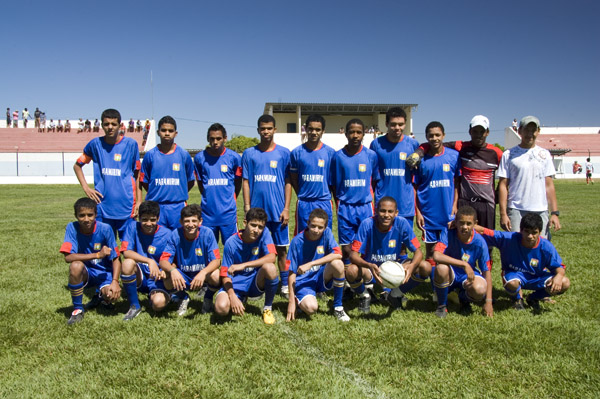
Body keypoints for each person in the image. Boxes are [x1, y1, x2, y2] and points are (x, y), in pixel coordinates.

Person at [408, 115, 502, 233]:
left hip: (486, 204)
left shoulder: (496, 153)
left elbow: (506, 177)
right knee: (463, 238)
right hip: (465, 202)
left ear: (487, 132)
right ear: (469, 131)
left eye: (482, 131)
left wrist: (497, 195)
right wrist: (419, 151)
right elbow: (434, 144)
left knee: (487, 240)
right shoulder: (460, 147)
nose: (478, 135)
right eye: (475, 131)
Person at [348, 197, 429, 313]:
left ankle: (396, 294)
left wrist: (411, 266)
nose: (386, 215)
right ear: (376, 211)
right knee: (351, 271)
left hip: (394, 266)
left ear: (396, 213)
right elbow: (353, 255)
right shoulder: (367, 224)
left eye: (390, 211)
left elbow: (418, 252)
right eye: (382, 211)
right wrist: (369, 265)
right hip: (371, 268)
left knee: (425, 267)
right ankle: (365, 296)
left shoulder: (402, 223)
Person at [476, 212, 570, 310]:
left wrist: (558, 276)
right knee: (512, 283)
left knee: (565, 282)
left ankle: (534, 298)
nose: (530, 236)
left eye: (534, 232)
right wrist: (465, 224)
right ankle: (517, 299)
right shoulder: (509, 239)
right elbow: (484, 232)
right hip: (514, 275)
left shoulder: (546, 247)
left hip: (536, 277)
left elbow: (560, 268)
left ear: (540, 232)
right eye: (527, 231)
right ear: (521, 230)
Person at [242, 114, 292, 297]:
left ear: (275, 130)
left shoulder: (284, 153)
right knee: (255, 248)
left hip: (278, 211)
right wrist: (247, 206)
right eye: (262, 128)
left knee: (281, 249)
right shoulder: (249, 153)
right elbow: (245, 181)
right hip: (257, 212)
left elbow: (288, 182)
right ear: (258, 130)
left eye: (269, 128)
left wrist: (286, 208)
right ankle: (256, 283)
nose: (266, 131)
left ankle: (285, 285)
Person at [73, 108, 141, 241]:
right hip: (102, 206)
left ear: (120, 126)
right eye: (106, 124)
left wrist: (139, 201)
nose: (110, 127)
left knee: (129, 249)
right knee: (104, 248)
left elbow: (138, 174)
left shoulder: (131, 144)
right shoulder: (95, 145)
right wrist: (86, 188)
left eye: (114, 124)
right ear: (102, 125)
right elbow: (77, 166)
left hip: (127, 206)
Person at [60, 198, 121, 325]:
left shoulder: (105, 228)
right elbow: (68, 257)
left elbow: (115, 257)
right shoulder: (72, 227)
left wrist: (115, 281)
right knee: (75, 266)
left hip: (104, 273)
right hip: (87, 272)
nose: (86, 219)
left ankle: (102, 296)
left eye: (90, 215)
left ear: (96, 215)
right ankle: (77, 309)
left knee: (112, 296)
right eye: (82, 215)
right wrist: (97, 255)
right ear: (76, 216)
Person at [214, 207, 280, 324]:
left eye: (260, 227)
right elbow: (224, 273)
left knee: (270, 268)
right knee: (221, 308)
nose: (256, 230)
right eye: (253, 225)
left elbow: (272, 257)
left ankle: (267, 308)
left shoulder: (264, 234)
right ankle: (240, 298)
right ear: (245, 223)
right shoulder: (231, 242)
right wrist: (232, 296)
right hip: (236, 284)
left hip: (255, 283)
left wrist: (243, 265)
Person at [497, 116, 560, 238]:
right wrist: (503, 214)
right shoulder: (509, 154)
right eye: (526, 130)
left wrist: (554, 213)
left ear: (538, 131)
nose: (530, 134)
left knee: (540, 247)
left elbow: (549, 185)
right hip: (516, 209)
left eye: (533, 130)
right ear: (519, 131)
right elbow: (503, 185)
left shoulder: (545, 155)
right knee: (515, 246)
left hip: (540, 209)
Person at [286, 209, 350, 322]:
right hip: (304, 281)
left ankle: (338, 307)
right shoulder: (297, 242)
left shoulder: (327, 233)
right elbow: (291, 272)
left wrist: (311, 264)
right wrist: (291, 302)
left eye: (320, 227)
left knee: (338, 264)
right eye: (313, 226)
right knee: (311, 308)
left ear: (325, 227)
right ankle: (298, 299)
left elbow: (338, 254)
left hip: (320, 276)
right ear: (307, 223)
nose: (316, 230)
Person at [330, 118, 380, 264]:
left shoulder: (371, 155)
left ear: (364, 133)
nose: (355, 135)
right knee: (346, 248)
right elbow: (333, 183)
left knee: (366, 244)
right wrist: (339, 201)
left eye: (359, 132)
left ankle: (367, 280)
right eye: (352, 132)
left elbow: (375, 181)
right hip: (345, 207)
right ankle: (349, 281)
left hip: (365, 207)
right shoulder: (338, 156)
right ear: (346, 134)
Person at [158, 204, 222, 316]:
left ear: (200, 222)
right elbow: (163, 261)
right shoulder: (175, 234)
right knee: (166, 276)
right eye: (187, 221)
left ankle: (208, 298)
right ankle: (183, 297)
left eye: (194, 221)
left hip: (203, 275)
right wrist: (173, 271)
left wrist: (203, 272)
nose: (191, 225)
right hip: (183, 275)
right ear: (181, 222)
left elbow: (216, 261)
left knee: (216, 274)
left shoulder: (207, 233)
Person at [413, 121, 460, 266]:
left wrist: (455, 204)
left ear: (443, 135)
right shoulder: (421, 160)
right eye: (431, 135)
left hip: (448, 211)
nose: (435, 138)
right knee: (431, 251)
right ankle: (435, 284)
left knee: (450, 249)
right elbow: (415, 186)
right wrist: (418, 212)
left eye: (437, 135)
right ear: (426, 137)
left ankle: (449, 281)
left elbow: (457, 183)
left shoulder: (454, 156)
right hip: (428, 213)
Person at [432, 205, 493, 318]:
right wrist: (463, 264)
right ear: (455, 222)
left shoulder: (480, 242)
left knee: (479, 289)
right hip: (450, 273)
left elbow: (486, 272)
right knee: (441, 268)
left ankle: (463, 298)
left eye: (468, 224)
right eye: (461, 223)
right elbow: (436, 255)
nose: (464, 227)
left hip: (468, 275)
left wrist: (488, 302)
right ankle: (442, 305)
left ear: (475, 224)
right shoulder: (448, 232)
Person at [140, 115, 195, 230]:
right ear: (158, 132)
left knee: (178, 240)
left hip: (177, 206)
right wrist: (157, 192)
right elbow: (145, 182)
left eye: (170, 131)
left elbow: (190, 181)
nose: (167, 133)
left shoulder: (183, 155)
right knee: (157, 241)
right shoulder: (150, 155)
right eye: (163, 130)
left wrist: (178, 193)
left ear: (176, 133)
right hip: (156, 206)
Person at [120, 200, 172, 320]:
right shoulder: (132, 226)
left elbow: (174, 259)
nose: (148, 223)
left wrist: (165, 270)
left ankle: (161, 296)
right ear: (138, 218)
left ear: (158, 219)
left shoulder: (167, 234)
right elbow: (126, 252)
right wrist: (150, 261)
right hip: (141, 275)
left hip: (157, 278)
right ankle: (134, 305)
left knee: (158, 305)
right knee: (127, 263)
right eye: (144, 219)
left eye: (152, 220)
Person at [370, 107, 419, 228]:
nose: (397, 128)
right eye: (393, 124)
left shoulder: (413, 144)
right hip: (383, 204)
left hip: (405, 204)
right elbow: (372, 175)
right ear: (386, 124)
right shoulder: (376, 144)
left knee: (403, 243)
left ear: (405, 124)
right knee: (382, 241)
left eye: (401, 124)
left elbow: (417, 176)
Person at [194, 123, 242, 243]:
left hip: (228, 215)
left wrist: (230, 197)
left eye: (218, 138)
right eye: (212, 139)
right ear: (208, 139)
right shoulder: (200, 158)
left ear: (225, 138)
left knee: (231, 249)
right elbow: (201, 184)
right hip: (207, 215)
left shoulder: (234, 157)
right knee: (209, 250)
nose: (215, 142)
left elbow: (238, 183)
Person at [290, 114, 335, 235]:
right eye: (311, 129)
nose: (314, 132)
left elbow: (333, 180)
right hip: (304, 203)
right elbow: (294, 178)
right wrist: (302, 192)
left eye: (318, 129)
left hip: (324, 202)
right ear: (306, 130)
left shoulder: (330, 153)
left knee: (324, 237)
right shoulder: (296, 153)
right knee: (303, 236)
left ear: (323, 131)